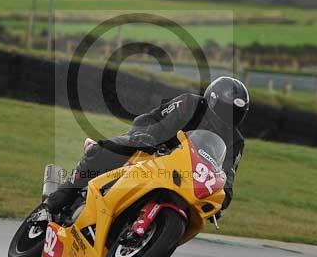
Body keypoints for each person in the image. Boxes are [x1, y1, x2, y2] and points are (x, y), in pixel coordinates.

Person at [44, 76, 248, 218]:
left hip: (183, 175)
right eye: (224, 109)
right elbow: (156, 119)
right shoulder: (190, 104)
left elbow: (227, 172)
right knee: (103, 150)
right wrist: (145, 136)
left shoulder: (235, 140)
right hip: (150, 147)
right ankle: (65, 192)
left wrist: (223, 196)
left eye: (234, 114)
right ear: (211, 100)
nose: (225, 117)